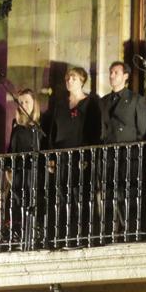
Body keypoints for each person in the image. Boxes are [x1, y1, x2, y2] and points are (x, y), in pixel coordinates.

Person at [45, 66, 100, 239]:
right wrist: (51, 156)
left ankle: (84, 233)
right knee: (62, 194)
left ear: (82, 81)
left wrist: (88, 155)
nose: (69, 81)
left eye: (73, 78)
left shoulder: (91, 102)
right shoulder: (60, 104)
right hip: (62, 155)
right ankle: (63, 234)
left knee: (81, 194)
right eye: (68, 78)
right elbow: (53, 131)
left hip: (81, 155)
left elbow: (95, 131)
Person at [98, 61, 146, 235]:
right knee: (110, 191)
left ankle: (131, 228)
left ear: (125, 76)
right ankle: (113, 229)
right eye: (110, 72)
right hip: (109, 153)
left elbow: (142, 129)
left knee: (128, 191)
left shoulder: (135, 99)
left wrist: (133, 148)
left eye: (116, 73)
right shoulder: (104, 101)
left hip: (128, 153)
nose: (112, 76)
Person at [4, 88, 44, 247]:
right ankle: (19, 236)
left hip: (33, 171)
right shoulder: (17, 126)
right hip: (18, 171)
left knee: (33, 202)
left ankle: (34, 235)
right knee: (18, 202)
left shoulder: (39, 126)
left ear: (34, 103)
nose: (24, 105)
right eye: (21, 102)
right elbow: (11, 149)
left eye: (27, 101)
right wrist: (8, 169)